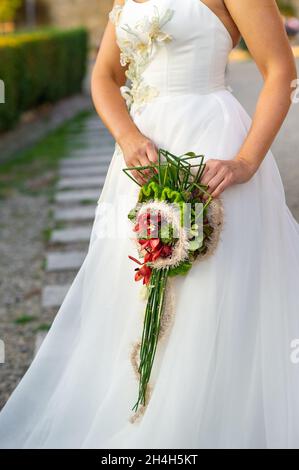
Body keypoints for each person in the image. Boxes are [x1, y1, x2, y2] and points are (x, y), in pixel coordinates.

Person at [0, 0, 298, 449]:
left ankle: (208, 425)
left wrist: (245, 161)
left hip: (210, 151)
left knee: (211, 291)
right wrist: (127, 135)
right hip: (141, 159)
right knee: (134, 292)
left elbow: (280, 70)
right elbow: (103, 77)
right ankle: (144, 411)